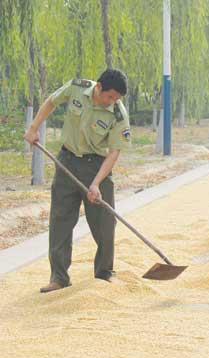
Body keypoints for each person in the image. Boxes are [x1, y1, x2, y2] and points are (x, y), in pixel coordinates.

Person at [23, 69, 131, 293]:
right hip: (67, 161)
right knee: (60, 219)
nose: (112, 102)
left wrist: (96, 183)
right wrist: (33, 128)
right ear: (99, 86)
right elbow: (51, 102)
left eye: (117, 99)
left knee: (104, 222)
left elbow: (113, 153)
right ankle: (59, 277)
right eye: (110, 96)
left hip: (97, 166)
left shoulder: (118, 114)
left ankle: (104, 273)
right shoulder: (77, 88)